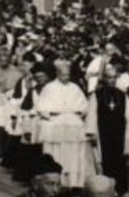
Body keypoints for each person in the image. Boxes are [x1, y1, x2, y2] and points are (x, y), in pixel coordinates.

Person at [34, 59, 96, 189]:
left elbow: (84, 108)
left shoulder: (75, 87)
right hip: (55, 126)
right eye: (63, 75)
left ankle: (74, 182)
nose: (66, 77)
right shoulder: (49, 88)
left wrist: (74, 114)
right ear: (57, 73)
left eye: (68, 75)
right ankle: (55, 181)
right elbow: (41, 108)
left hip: (73, 127)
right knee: (56, 154)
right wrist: (53, 114)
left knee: (73, 156)